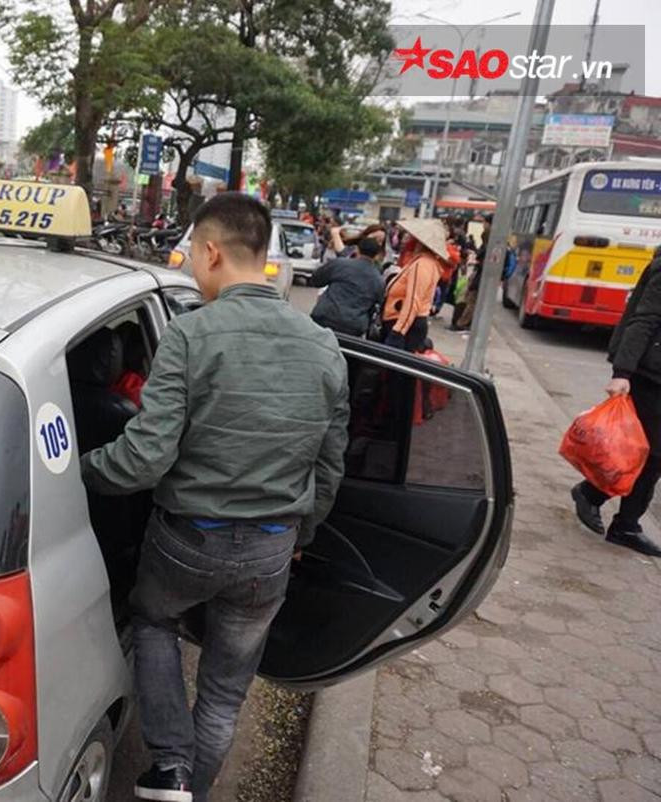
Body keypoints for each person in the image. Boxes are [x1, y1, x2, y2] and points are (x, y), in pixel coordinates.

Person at [80, 193, 350, 802]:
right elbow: (329, 467)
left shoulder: (190, 334)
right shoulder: (324, 345)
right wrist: (300, 538)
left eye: (191, 256)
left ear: (209, 251)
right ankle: (190, 793)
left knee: (153, 620)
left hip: (186, 542)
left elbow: (144, 457)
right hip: (271, 553)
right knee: (226, 693)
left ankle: (170, 763)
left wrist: (76, 470)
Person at [570, 251, 661, 557]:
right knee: (648, 453)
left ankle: (601, 502)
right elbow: (645, 318)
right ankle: (618, 517)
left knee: (650, 455)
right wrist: (622, 373)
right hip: (650, 373)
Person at [381, 218, 448, 352]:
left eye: (411, 236)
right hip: (403, 322)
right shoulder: (421, 261)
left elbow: (413, 301)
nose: (407, 238)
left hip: (405, 325)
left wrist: (398, 332)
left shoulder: (422, 264)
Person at [308, 236, 386, 337]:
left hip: (325, 317)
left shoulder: (339, 264)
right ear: (376, 255)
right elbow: (377, 305)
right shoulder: (379, 280)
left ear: (357, 249)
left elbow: (316, 280)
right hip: (353, 327)